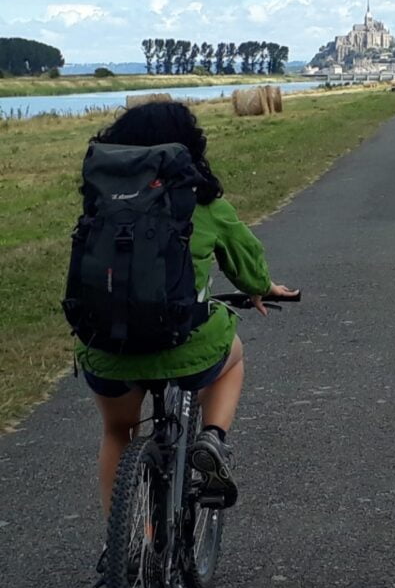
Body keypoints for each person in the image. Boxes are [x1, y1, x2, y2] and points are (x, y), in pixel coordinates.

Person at [75, 101, 297, 518]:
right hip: (185, 344)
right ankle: (212, 437)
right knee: (232, 357)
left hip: (108, 348)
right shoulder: (203, 203)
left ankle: (127, 549)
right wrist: (261, 287)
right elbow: (247, 264)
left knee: (116, 432)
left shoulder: (101, 204)